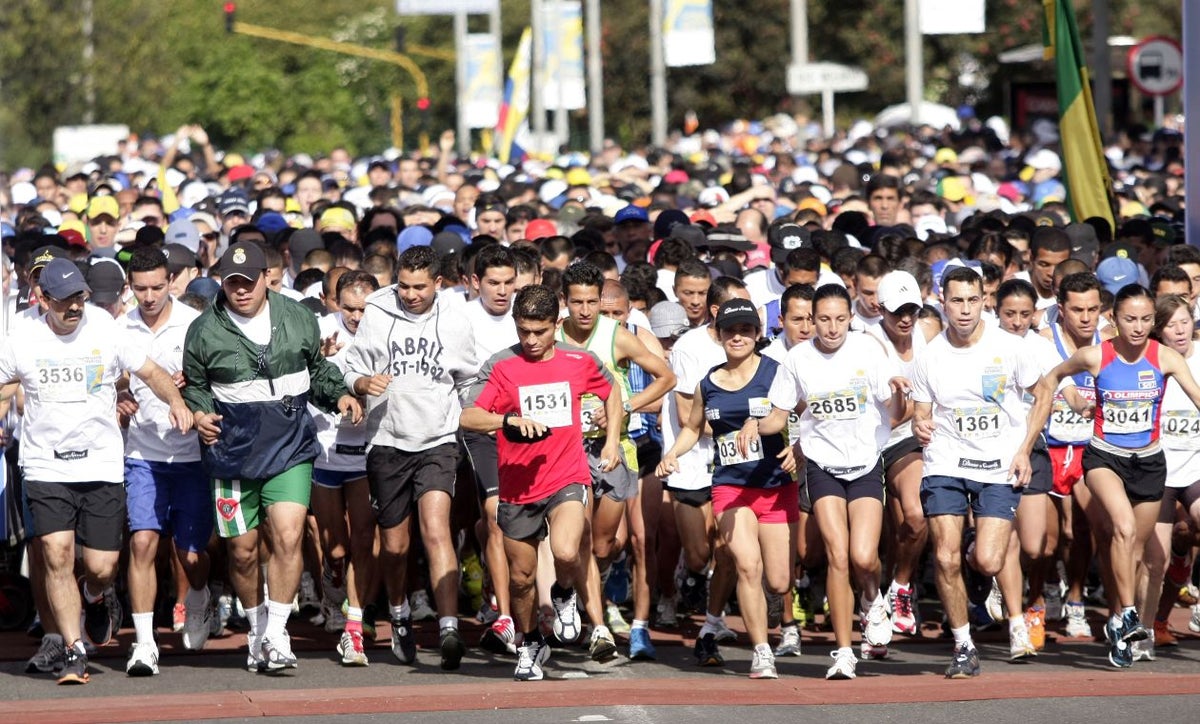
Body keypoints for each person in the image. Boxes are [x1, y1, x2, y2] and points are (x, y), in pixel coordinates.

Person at [1, 258, 193, 685]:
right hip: (46, 463)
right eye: (65, 300)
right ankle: (74, 650)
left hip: (102, 461)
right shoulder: (21, 336)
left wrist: (176, 403)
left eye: (80, 297)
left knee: (102, 566)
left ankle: (97, 595)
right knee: (55, 554)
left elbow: (150, 371)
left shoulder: (106, 328)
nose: (75, 307)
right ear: (43, 298)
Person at [183, 241, 363, 674]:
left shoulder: (298, 316)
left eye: (249, 282)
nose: (241, 291)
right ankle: (257, 625)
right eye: (232, 283)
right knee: (243, 553)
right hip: (232, 455)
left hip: (290, 446)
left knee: (287, 534)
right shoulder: (204, 329)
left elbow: (317, 369)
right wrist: (200, 412)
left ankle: (278, 634)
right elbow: (194, 384)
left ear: (267, 277)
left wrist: (339, 393)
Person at [1029, 284, 1200, 668]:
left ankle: (1121, 614)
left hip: (1151, 463)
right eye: (1129, 319)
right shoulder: (1095, 356)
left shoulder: (1167, 358)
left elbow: (1198, 396)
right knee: (1121, 528)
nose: (1138, 327)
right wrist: (1073, 398)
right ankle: (1125, 616)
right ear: (1114, 319)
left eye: (1144, 320)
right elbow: (1052, 377)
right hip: (1106, 458)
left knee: (1135, 552)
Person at [460, 284, 623, 681]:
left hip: (567, 474)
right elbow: (468, 417)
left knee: (568, 551)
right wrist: (507, 421)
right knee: (521, 579)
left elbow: (612, 390)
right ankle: (531, 642)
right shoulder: (502, 366)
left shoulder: (579, 360)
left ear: (557, 324)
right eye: (523, 331)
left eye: (540, 331)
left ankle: (565, 593)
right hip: (516, 485)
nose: (531, 340)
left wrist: (613, 439)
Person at [754, 285, 905, 679]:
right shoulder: (797, 359)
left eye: (840, 318)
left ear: (850, 318)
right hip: (822, 465)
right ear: (811, 321)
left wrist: (900, 396)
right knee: (838, 556)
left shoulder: (867, 350)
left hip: (866, 462)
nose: (832, 327)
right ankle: (843, 652)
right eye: (823, 319)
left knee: (862, 557)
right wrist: (754, 427)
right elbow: (777, 415)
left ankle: (872, 598)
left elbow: (893, 413)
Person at [342, 245, 479, 671]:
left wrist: (472, 419)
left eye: (420, 287)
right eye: (403, 285)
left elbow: (469, 379)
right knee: (396, 546)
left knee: (436, 529)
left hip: (438, 438)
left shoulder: (456, 316)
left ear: (438, 283)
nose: (410, 294)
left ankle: (449, 627)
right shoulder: (378, 309)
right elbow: (350, 366)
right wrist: (363, 383)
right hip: (386, 439)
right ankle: (399, 615)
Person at [910, 266, 1047, 679]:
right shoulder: (930, 355)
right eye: (956, 301)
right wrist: (919, 424)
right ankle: (964, 645)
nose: (965, 310)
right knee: (945, 557)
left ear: (984, 299)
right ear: (942, 301)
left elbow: (1043, 396)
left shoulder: (1009, 346)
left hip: (998, 463)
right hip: (946, 462)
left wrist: (1024, 449)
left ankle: (977, 552)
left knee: (986, 561)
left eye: (973, 300)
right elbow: (921, 411)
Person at [657, 298, 797, 680]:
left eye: (746, 330)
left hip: (774, 486)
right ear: (719, 336)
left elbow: (801, 413)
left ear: (757, 334)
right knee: (747, 565)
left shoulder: (776, 373)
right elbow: (692, 426)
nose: (738, 337)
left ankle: (767, 620)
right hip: (731, 488)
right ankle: (762, 651)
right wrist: (672, 454)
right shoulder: (709, 381)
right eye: (730, 331)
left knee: (779, 580)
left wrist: (794, 449)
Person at [555, 263, 676, 662]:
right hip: (567, 452)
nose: (587, 311)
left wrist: (622, 407)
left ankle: (593, 593)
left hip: (615, 449)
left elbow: (666, 378)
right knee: (580, 540)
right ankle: (596, 625)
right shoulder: (551, 335)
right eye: (579, 302)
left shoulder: (616, 337)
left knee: (607, 544)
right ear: (565, 302)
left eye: (593, 302)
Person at [118, 247, 209, 677]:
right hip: (142, 454)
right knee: (142, 543)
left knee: (191, 556)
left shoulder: (194, 324)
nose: (149, 296)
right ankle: (144, 643)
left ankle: (199, 598)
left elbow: (216, 378)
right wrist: (118, 395)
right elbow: (109, 379)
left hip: (191, 455)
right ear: (129, 286)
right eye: (140, 289)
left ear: (171, 281)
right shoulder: (120, 327)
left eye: (157, 287)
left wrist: (193, 382)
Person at [309, 270, 380, 666]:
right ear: (335, 303)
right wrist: (317, 358)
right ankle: (330, 578)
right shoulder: (320, 331)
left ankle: (356, 625)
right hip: (326, 450)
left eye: (363, 309)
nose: (356, 317)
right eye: (349, 309)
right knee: (335, 547)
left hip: (368, 450)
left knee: (364, 538)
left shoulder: (384, 329)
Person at [1038, 272, 1108, 639]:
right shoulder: (1044, 343)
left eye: (1093, 309)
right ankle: (1050, 582)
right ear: (1061, 309)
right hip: (1050, 448)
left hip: (1089, 450)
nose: (1086, 317)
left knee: (1082, 527)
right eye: (1077, 309)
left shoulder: (1110, 342)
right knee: (1049, 538)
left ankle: (1077, 600)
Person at [865, 270, 929, 636]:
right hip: (871, 440)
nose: (905, 319)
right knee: (872, 539)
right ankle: (869, 603)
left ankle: (901, 586)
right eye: (896, 312)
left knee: (916, 515)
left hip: (909, 438)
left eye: (912, 310)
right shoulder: (870, 344)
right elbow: (892, 411)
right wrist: (921, 404)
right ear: (880, 309)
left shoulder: (928, 336)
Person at [1138, 294, 1200, 660]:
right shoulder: (1151, 361)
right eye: (1170, 324)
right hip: (1159, 471)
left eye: (1184, 321)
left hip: (1196, 466)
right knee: (1156, 561)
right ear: (1159, 330)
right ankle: (1148, 628)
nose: (1179, 330)